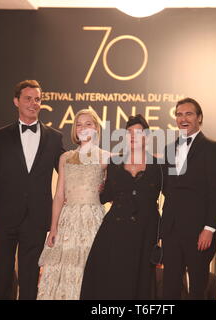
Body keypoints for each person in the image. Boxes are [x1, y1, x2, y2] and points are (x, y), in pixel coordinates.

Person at [0, 80, 65, 300]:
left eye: (37, 99)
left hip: (36, 218)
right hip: (4, 216)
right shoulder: (0, 136)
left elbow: (67, 174)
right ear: (16, 101)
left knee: (30, 279)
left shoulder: (55, 138)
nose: (33, 103)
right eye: (28, 98)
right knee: (3, 278)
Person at [81, 114, 162, 300]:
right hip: (115, 230)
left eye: (138, 132)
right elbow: (105, 196)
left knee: (140, 280)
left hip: (145, 232)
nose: (133, 136)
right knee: (110, 277)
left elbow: (172, 197)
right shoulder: (115, 162)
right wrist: (94, 186)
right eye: (129, 132)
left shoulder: (158, 166)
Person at [37, 109, 109, 300]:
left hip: (93, 221)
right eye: (79, 124)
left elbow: (113, 192)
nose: (83, 128)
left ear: (96, 128)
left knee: (89, 269)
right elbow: (59, 195)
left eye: (88, 124)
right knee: (63, 272)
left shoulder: (106, 157)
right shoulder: (66, 158)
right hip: (67, 222)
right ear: (74, 130)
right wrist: (53, 228)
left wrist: (103, 188)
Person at [161, 98, 216, 299]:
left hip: (199, 233)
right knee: (169, 287)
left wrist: (209, 228)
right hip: (171, 231)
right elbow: (167, 189)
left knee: (197, 289)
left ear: (199, 118)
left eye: (188, 114)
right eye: (179, 115)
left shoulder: (213, 148)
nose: (183, 119)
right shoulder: (168, 149)